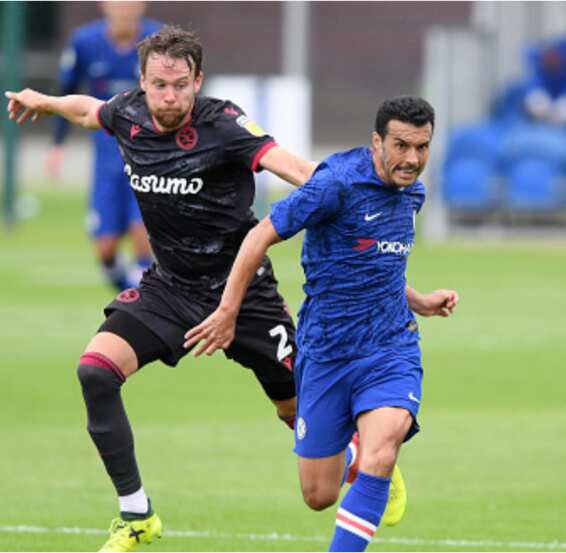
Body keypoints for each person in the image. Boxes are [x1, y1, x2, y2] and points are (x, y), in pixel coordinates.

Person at [4, 25, 357, 552]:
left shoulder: (226, 124)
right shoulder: (127, 114)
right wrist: (45, 101)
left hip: (246, 296)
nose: (168, 97)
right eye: (158, 85)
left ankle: (362, 463)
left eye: (180, 85)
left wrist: (356, 198)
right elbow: (87, 110)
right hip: (169, 290)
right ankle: (136, 515)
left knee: (302, 433)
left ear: (198, 83)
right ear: (142, 83)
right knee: (95, 373)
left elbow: (296, 168)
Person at [184, 96, 459, 551]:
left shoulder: (413, 192)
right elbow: (259, 237)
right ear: (377, 141)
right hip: (325, 352)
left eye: (423, 147)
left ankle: (371, 462)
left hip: (390, 348)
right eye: (402, 146)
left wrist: (420, 301)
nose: (412, 159)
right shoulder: (334, 186)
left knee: (383, 449)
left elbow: (377, 261)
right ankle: (354, 455)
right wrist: (228, 310)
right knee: (319, 495)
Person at [49, 2, 160, 292]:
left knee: (142, 235)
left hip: (148, 155)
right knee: (106, 247)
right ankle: (130, 297)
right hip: (106, 159)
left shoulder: (159, 41)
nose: (124, 8)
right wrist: (58, 145)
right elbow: (67, 91)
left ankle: (145, 309)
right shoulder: (84, 42)